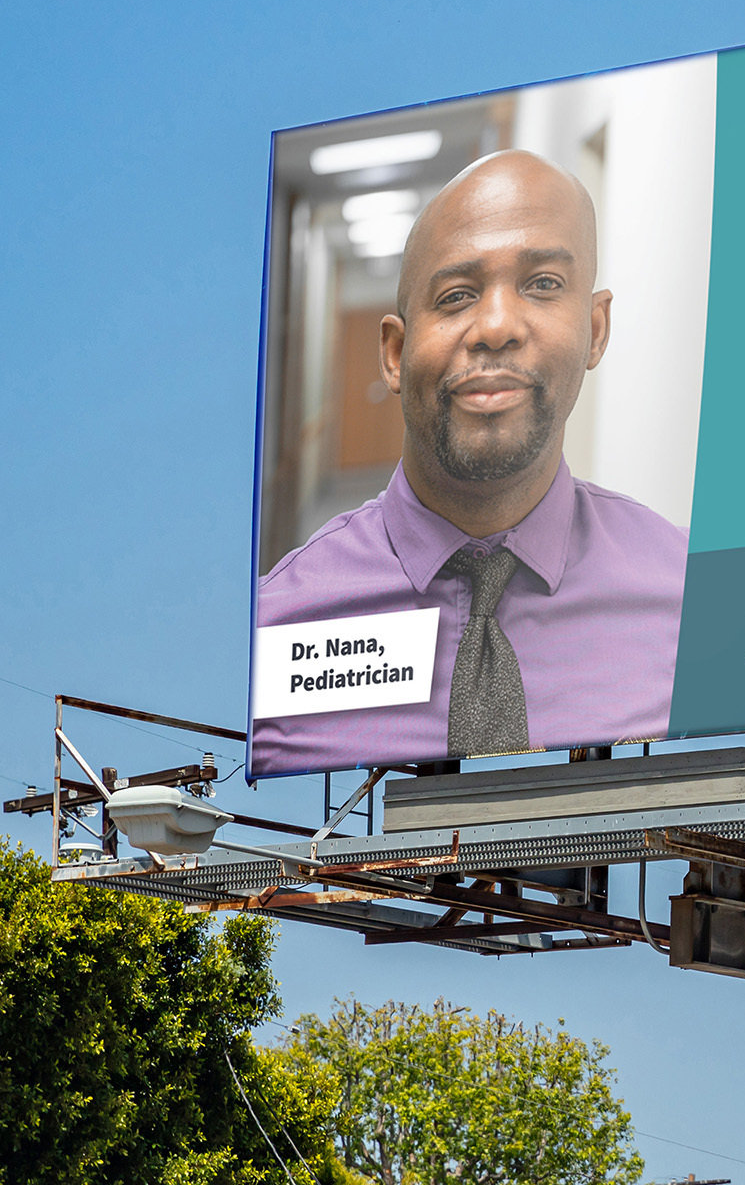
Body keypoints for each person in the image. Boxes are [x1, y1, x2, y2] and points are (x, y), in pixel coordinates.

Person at [254, 149, 687, 774]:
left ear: (595, 330)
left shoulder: (695, 605)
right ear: (396, 354)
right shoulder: (274, 631)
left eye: (543, 285)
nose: (496, 326)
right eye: (456, 296)